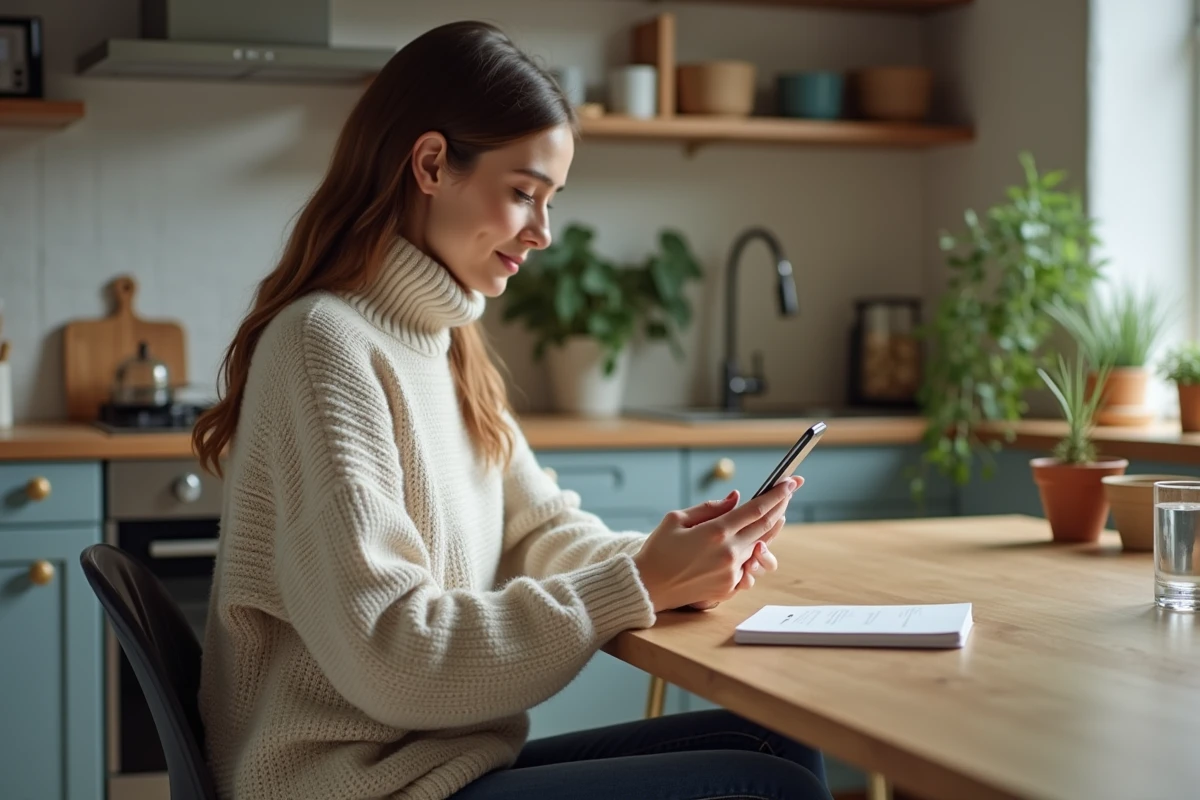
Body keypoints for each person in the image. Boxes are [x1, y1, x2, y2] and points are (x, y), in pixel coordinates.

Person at [192, 19, 831, 800]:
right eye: (524, 193)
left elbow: (540, 530)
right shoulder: (323, 345)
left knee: (777, 744)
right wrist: (634, 586)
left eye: (550, 200)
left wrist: (672, 564)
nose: (544, 233)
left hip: (434, 767)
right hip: (349, 786)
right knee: (768, 787)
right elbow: (392, 654)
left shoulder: (446, 341)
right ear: (430, 163)